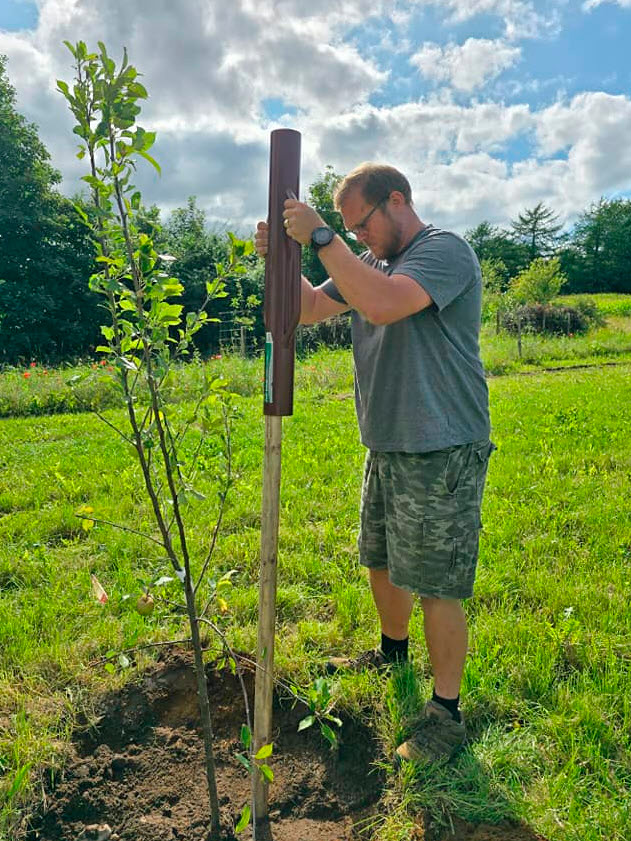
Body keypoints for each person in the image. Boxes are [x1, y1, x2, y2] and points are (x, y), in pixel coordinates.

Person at [254, 162, 494, 766]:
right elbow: (309, 308)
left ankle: (446, 711)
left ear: (396, 200)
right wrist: (280, 261)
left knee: (436, 583)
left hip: (442, 447)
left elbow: (385, 306)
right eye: (347, 229)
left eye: (361, 224)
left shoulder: (444, 251)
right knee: (382, 559)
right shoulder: (370, 267)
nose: (357, 237)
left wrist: (320, 239)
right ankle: (392, 652)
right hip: (386, 443)